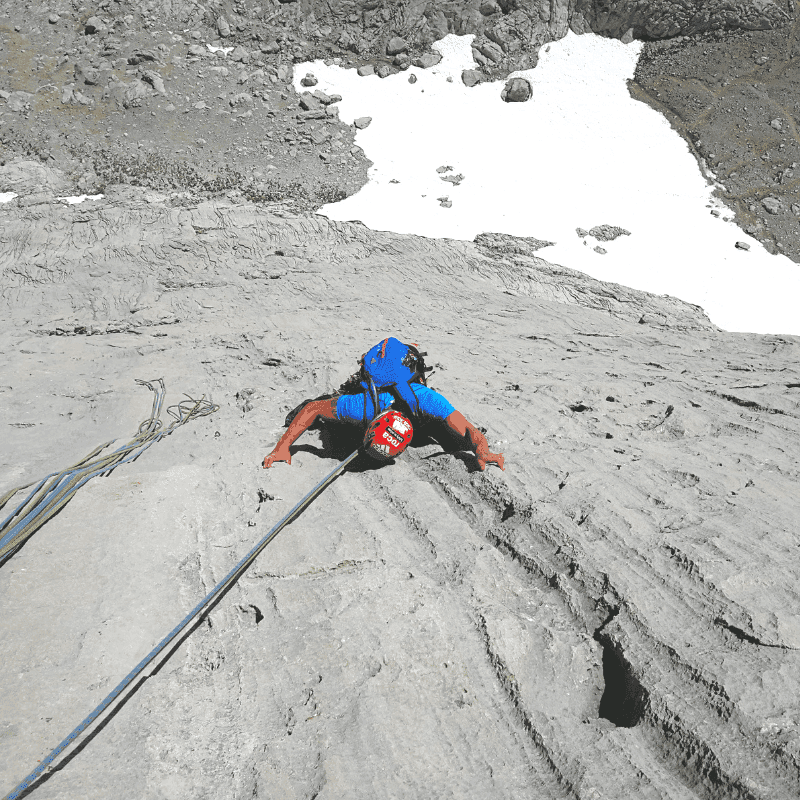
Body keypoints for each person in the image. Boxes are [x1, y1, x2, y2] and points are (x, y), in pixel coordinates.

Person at [262, 340, 505, 472]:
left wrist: (480, 449)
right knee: (329, 411)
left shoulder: (427, 400)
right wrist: (282, 447)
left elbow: (468, 430)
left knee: (451, 436)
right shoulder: (361, 406)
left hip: (405, 392)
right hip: (371, 399)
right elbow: (313, 409)